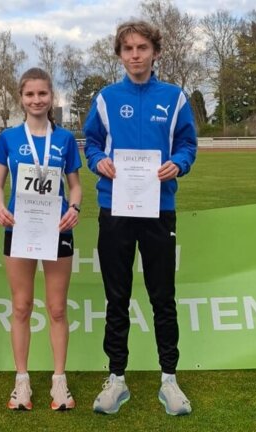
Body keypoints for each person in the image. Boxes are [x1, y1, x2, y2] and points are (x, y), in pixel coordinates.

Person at [82, 20, 197, 416]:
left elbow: (187, 144)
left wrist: (178, 165)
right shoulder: (106, 98)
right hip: (115, 209)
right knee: (117, 297)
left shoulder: (174, 97)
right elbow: (92, 143)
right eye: (128, 48)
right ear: (119, 55)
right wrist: (99, 162)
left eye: (142, 48)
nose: (135, 55)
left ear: (155, 52)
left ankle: (169, 379)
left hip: (158, 210)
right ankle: (116, 378)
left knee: (162, 296)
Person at [0, 67, 82, 411]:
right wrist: (0, 207)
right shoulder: (9, 138)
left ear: (51, 97)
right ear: (21, 98)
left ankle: (60, 382)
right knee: (21, 306)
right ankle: (22, 382)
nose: (36, 99)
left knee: (57, 309)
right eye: (30, 94)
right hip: (19, 229)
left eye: (43, 93)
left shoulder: (66, 139)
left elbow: (74, 185)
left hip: (57, 229)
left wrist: (74, 208)